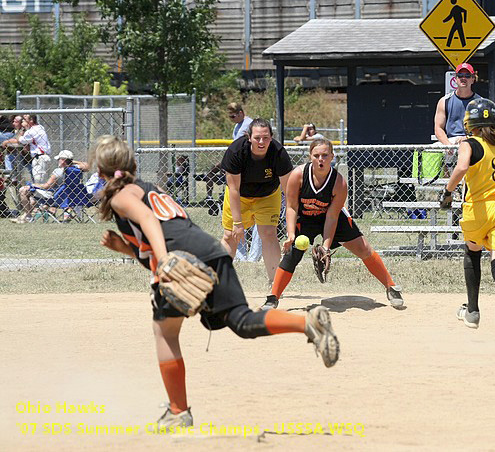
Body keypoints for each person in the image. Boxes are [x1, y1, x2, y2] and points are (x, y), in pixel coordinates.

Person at [89, 135, 338, 429]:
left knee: (165, 334)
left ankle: (178, 412)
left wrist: (164, 260)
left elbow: (148, 221)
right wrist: (126, 248)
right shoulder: (148, 188)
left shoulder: (121, 195)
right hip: (211, 252)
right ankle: (308, 323)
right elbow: (168, 229)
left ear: (102, 172)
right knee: (242, 321)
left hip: (181, 257)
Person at [262, 138, 404, 310]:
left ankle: (391, 287)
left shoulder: (339, 183)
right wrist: (291, 234)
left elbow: (332, 217)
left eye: (325, 155)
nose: (320, 159)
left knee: (363, 248)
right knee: (293, 254)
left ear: (332, 157)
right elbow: (291, 207)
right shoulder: (298, 176)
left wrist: (326, 247)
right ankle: (273, 297)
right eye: (316, 155)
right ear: (310, 157)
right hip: (305, 218)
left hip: (330, 216)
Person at [439, 98, 495, 339]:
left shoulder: (469, 143)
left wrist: (448, 192)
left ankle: (472, 312)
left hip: (478, 209)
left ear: (469, 123)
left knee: (473, 252)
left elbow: (462, 168)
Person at [220, 118, 292, 296]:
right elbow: (234, 189)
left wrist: (294, 221)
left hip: (267, 195)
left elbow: (288, 190)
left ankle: (275, 284)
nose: (262, 142)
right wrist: (238, 223)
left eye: (266, 138)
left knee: (268, 233)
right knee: (230, 236)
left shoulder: (278, 153)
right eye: (257, 137)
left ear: (271, 137)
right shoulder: (236, 151)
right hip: (240, 196)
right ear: (249, 137)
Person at [14, 150, 87, 223]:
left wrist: (33, 185)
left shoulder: (58, 171)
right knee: (31, 194)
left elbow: (47, 186)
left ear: (63, 161)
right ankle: (27, 215)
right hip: (69, 197)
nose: (58, 161)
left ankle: (28, 216)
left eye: (59, 159)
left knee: (23, 190)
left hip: (54, 197)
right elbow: (87, 166)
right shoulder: (76, 169)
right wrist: (72, 162)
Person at [433, 63, 481, 147]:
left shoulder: (481, 103)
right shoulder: (444, 101)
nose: (463, 78)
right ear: (455, 79)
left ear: (473, 79)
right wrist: (449, 146)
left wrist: (468, 138)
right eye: (460, 75)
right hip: (451, 142)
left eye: (467, 75)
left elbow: (486, 129)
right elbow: (438, 128)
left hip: (474, 142)